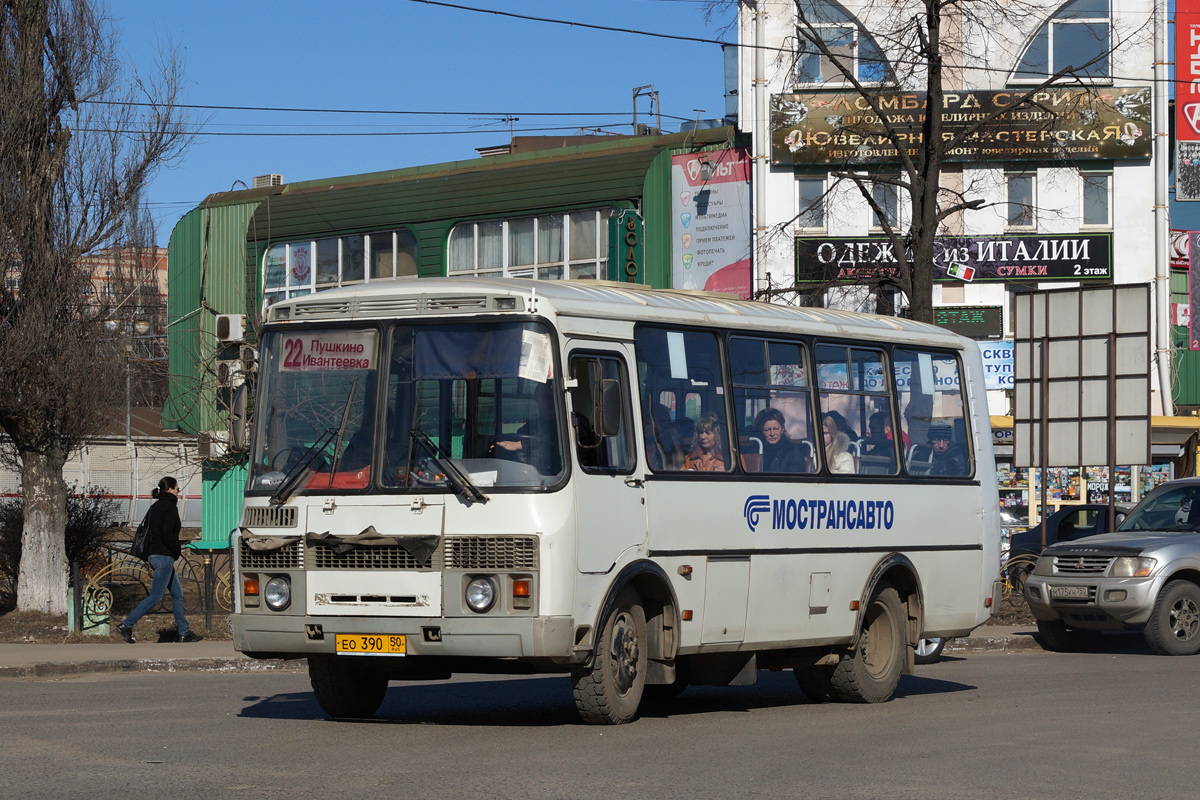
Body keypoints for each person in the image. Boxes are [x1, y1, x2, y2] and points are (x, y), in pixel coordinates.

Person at [115, 477, 203, 644]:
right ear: (169, 489)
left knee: (177, 593)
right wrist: (176, 549)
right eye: (177, 489)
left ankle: (184, 632)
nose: (178, 492)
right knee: (156, 595)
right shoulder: (169, 507)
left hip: (155, 555)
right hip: (163, 556)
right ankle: (126, 624)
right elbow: (166, 533)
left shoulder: (155, 507)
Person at [754, 408, 807, 473]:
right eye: (767, 430)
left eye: (776, 429)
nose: (772, 434)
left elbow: (794, 479)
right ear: (761, 431)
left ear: (782, 429)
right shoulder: (755, 452)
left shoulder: (792, 452)